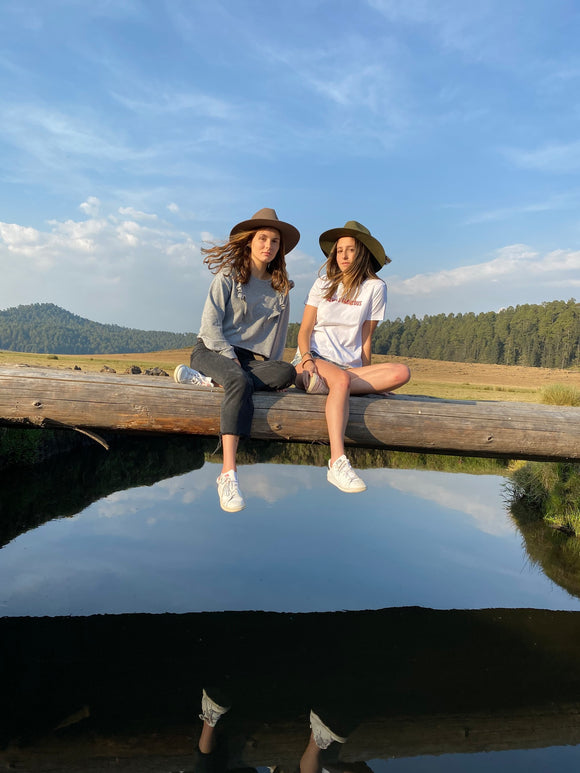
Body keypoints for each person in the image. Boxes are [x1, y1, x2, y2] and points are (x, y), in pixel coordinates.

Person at [174, 208, 299, 513]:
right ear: (250, 241)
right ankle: (228, 473)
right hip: (212, 350)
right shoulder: (228, 277)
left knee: (286, 373)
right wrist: (231, 360)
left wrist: (272, 374)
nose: (268, 245)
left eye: (274, 241)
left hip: (249, 361)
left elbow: (278, 340)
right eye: (262, 238)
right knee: (239, 379)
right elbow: (210, 327)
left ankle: (207, 381)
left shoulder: (280, 289)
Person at [295, 220, 410, 493]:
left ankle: (336, 387)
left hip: (347, 369)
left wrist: (372, 381)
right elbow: (304, 331)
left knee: (401, 373)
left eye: (350, 250)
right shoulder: (323, 283)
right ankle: (337, 461)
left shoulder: (375, 288)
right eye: (339, 251)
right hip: (314, 360)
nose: (343, 256)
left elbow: (366, 338)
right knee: (342, 382)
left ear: (363, 253)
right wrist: (307, 359)